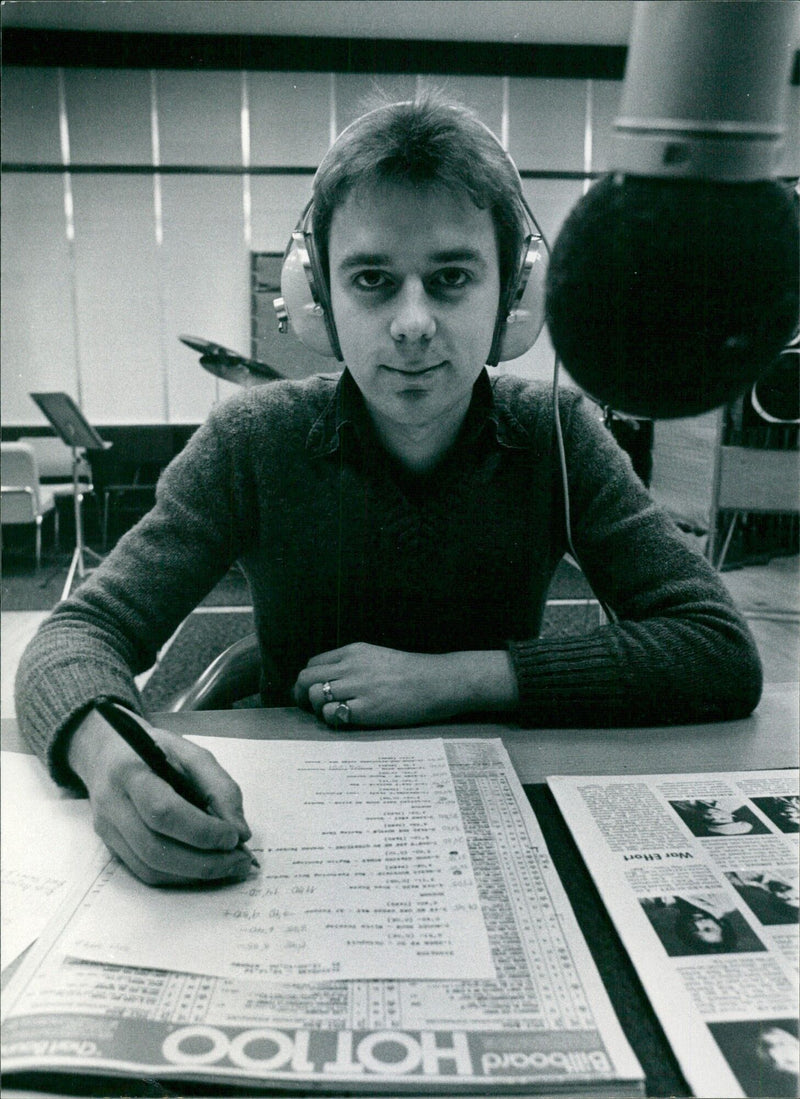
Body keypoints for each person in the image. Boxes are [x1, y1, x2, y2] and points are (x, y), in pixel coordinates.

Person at [15, 93, 763, 887]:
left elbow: (717, 647)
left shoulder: (560, 434)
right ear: (320, 301)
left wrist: (453, 678)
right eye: (372, 279)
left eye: (450, 278)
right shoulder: (254, 440)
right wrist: (107, 754)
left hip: (500, 826)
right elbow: (72, 639)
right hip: (297, 840)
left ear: (513, 297)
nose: (412, 323)